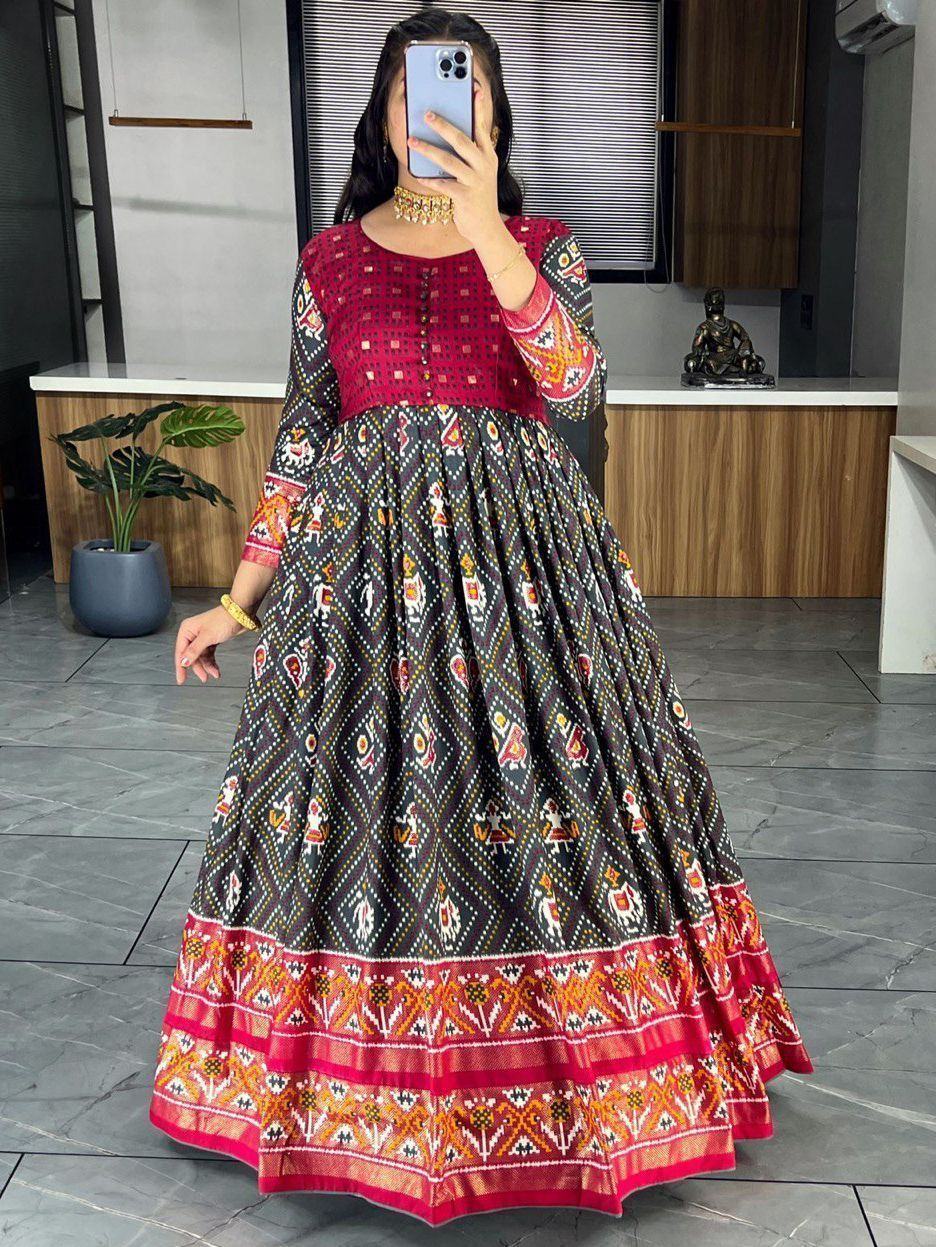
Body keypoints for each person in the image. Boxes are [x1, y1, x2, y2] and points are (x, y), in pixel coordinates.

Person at [149, 9, 813, 1226]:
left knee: (552, 816)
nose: (431, 118)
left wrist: (486, 231)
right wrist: (238, 598)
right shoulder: (328, 261)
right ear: (380, 114)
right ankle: (356, 1100)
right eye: (408, 96)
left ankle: (594, 1090)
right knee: (363, 826)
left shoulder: (543, 246)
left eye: (457, 96)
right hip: (359, 603)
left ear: (493, 115)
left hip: (531, 592)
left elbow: (574, 386)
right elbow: (302, 443)